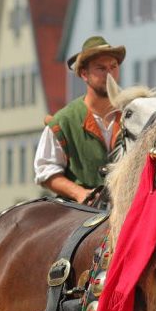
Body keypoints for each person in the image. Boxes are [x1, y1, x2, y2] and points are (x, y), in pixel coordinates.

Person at [34, 35, 125, 203]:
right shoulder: (64, 121)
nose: (110, 74)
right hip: (78, 214)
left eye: (113, 67)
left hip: (128, 211)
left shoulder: (132, 115)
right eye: (101, 68)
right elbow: (46, 170)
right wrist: (80, 193)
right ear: (84, 74)